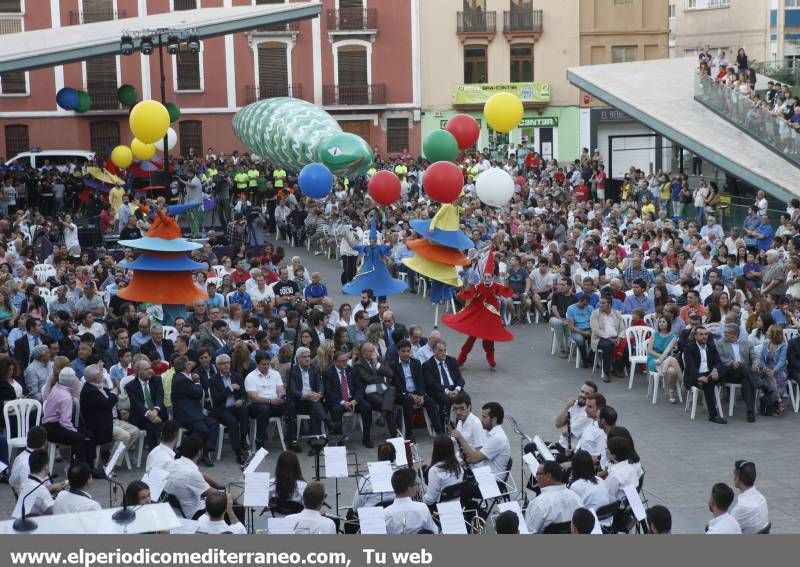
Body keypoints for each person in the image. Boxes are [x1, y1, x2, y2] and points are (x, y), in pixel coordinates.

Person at [443, 255, 514, 370]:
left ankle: (491, 361)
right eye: (485, 276)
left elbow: (507, 293)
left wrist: (506, 280)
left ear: (493, 276)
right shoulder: (478, 286)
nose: (486, 279)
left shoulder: (496, 286)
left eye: (489, 277)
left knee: (489, 341)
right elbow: (465, 295)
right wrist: (469, 285)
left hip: (490, 317)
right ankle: (460, 360)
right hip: (477, 316)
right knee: (470, 340)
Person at [42, 367, 97, 471]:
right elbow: (65, 422)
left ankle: (90, 467)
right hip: (53, 428)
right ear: (72, 381)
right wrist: (76, 431)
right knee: (79, 437)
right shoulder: (66, 397)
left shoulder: (56, 387)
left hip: (50, 425)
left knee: (88, 434)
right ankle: (77, 468)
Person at [171, 355, 220, 467]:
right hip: (185, 415)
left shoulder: (181, 377)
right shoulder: (182, 379)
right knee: (203, 430)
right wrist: (197, 381)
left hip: (194, 412)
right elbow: (198, 393)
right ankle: (181, 451)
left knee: (213, 424)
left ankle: (205, 451)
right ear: (186, 366)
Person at [716, 323, 769, 423]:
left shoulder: (747, 343)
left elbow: (755, 356)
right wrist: (731, 363)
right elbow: (720, 358)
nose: (724, 334)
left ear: (734, 334)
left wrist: (755, 363)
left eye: (726, 332)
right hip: (730, 373)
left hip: (745, 374)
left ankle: (750, 412)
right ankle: (761, 385)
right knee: (741, 365)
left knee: (747, 381)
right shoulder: (720, 343)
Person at [390, 339, 442, 442]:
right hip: (402, 394)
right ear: (398, 351)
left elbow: (421, 382)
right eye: (403, 351)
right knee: (408, 400)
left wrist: (421, 395)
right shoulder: (393, 365)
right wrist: (410, 395)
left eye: (408, 351)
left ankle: (439, 432)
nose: (406, 354)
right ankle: (409, 433)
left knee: (430, 402)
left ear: (411, 351)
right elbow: (397, 385)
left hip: (417, 393)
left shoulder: (416, 363)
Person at [245, 351, 295, 452]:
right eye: (264, 364)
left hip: (274, 403)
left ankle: (292, 439)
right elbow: (253, 397)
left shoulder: (275, 374)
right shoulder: (250, 377)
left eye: (268, 363)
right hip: (256, 405)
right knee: (264, 409)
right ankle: (260, 440)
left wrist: (281, 396)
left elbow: (280, 389)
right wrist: (270, 401)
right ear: (257, 364)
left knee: (291, 405)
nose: (267, 366)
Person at [352, 341, 397, 447]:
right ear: (363, 354)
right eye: (370, 351)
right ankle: (395, 438)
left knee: (392, 389)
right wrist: (381, 378)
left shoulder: (379, 360)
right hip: (370, 393)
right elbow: (368, 379)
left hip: (385, 390)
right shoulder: (359, 365)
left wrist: (377, 364)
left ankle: (382, 418)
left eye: (374, 350)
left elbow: (390, 374)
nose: (373, 353)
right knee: (389, 407)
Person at [169, 436, 225, 520]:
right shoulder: (192, 473)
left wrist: (219, 486)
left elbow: (200, 475)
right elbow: (216, 496)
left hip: (178, 509)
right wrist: (230, 497)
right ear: (199, 452)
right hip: (194, 515)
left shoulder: (175, 463)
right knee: (228, 504)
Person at [208, 353, 249, 464]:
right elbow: (216, 399)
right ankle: (238, 451)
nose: (226, 365)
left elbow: (244, 393)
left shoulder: (237, 376)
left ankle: (243, 439)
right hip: (221, 409)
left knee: (245, 410)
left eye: (228, 363)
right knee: (233, 422)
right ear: (218, 366)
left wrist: (241, 399)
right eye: (223, 363)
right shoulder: (213, 380)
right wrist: (230, 388)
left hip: (235, 407)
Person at [287, 346, 332, 445]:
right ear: (298, 359)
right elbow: (293, 390)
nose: (308, 358)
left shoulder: (314, 368)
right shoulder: (292, 370)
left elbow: (320, 384)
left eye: (309, 356)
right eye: (304, 357)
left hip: (313, 400)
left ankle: (316, 443)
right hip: (300, 402)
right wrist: (305, 395)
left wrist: (319, 394)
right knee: (314, 402)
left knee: (314, 409)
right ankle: (327, 421)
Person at [451, 401, 510, 478]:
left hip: (492, 482)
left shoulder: (497, 438)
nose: (481, 419)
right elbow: (479, 456)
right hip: (483, 475)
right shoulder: (489, 432)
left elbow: (474, 459)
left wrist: (460, 437)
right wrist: (464, 461)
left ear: (494, 419)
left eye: (484, 417)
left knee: (450, 489)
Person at [682, 326, 727, 424]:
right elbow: (690, 366)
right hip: (695, 375)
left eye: (706, 334)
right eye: (701, 334)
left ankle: (713, 380)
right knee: (709, 384)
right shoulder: (689, 347)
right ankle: (713, 415)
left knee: (724, 369)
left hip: (709, 373)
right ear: (695, 336)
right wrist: (699, 376)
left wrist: (715, 370)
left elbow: (718, 361)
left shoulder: (711, 346)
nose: (704, 336)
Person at [524, 460, 583, 533]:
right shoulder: (576, 497)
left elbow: (529, 532)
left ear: (548, 476)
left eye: (538, 474)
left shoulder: (538, 503)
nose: (536, 477)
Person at [422, 341, 465, 430]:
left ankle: (461, 426)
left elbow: (460, 379)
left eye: (445, 350)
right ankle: (443, 427)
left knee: (465, 397)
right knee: (446, 399)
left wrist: (457, 390)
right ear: (434, 351)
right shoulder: (427, 365)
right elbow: (432, 383)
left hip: (454, 388)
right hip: (439, 390)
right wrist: (447, 391)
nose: (444, 353)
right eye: (440, 351)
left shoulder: (452, 360)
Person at [125, 359, 166, 449]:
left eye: (150, 368)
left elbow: (160, 396)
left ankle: (165, 448)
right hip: (141, 416)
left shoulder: (157, 380)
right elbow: (137, 404)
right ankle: (155, 450)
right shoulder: (130, 386)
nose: (150, 371)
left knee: (169, 424)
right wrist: (150, 415)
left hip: (157, 413)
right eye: (146, 369)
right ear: (138, 372)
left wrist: (155, 411)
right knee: (151, 425)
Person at [384, 468, 438, 534]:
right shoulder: (422, 507)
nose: (417, 487)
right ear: (409, 488)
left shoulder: (385, 513)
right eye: (416, 484)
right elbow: (434, 531)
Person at [12, 449, 57, 519]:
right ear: (46, 467)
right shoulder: (41, 489)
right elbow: (53, 512)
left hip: (18, 523)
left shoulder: (25, 483)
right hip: (31, 526)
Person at [590, 295, 625, 382]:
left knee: (627, 346)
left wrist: (619, 338)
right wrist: (609, 339)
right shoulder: (595, 313)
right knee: (607, 346)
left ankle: (618, 368)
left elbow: (623, 329)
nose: (600, 305)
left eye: (603, 303)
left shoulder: (617, 313)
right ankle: (606, 372)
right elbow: (595, 329)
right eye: (600, 303)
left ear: (609, 304)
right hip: (600, 338)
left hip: (616, 337)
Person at [730, 460, 769, 534]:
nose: (734, 478)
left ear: (738, 478)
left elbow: (726, 529)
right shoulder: (761, 499)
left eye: (735, 475)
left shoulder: (742, 506)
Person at [422, 434, 463, 506]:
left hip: (440, 507)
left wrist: (421, 499)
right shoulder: (458, 466)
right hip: (457, 503)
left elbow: (430, 500)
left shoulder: (434, 471)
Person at [566, 294, 594, 367]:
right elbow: (571, 327)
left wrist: (592, 330)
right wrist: (583, 332)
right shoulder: (571, 309)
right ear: (580, 301)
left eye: (586, 304)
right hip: (577, 330)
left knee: (596, 339)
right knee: (580, 339)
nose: (585, 306)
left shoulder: (589, 308)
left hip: (588, 328)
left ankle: (590, 357)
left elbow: (593, 322)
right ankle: (584, 357)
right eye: (584, 304)